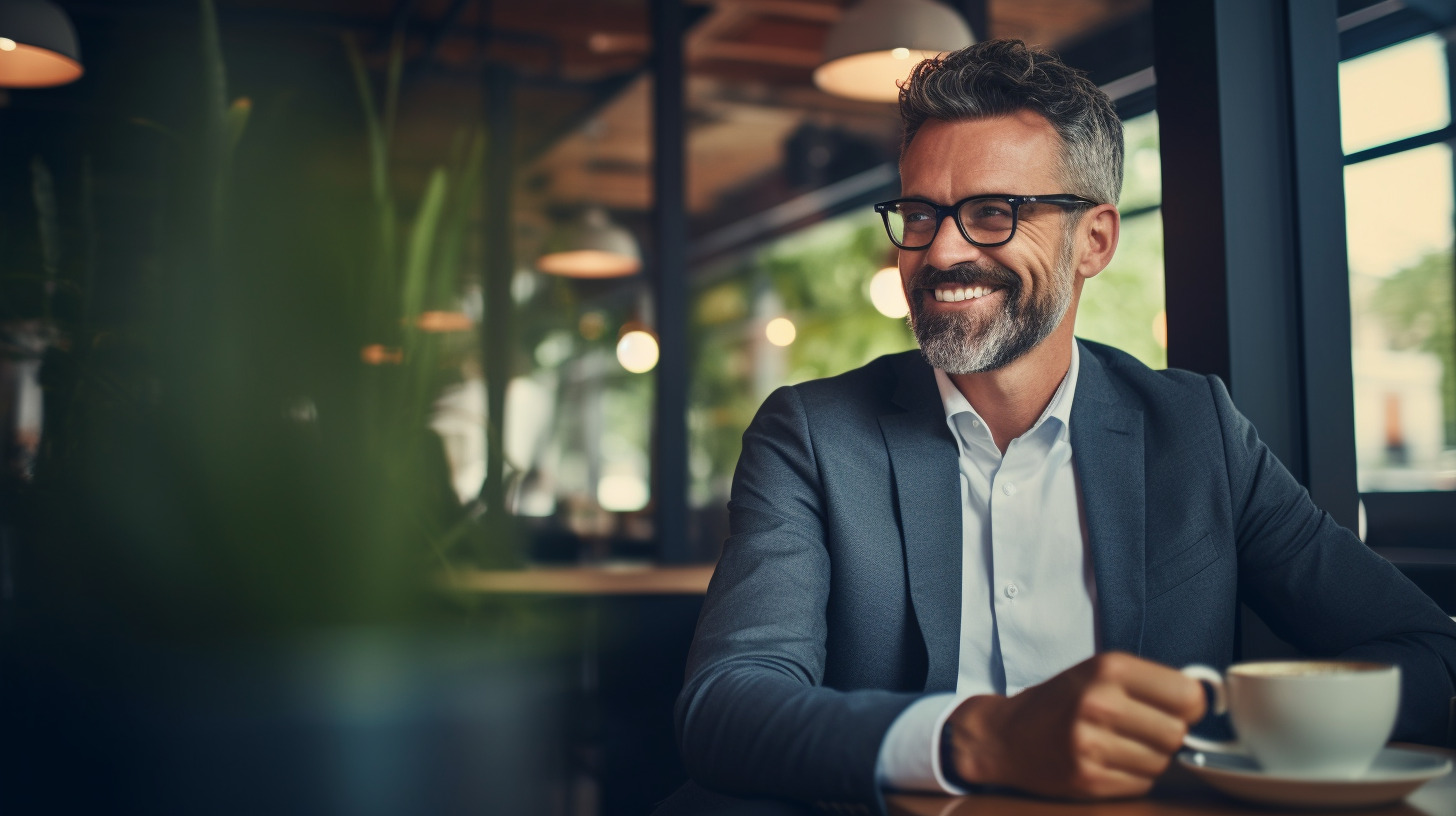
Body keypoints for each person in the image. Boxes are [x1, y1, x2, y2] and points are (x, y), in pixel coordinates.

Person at [658, 40, 1456, 816]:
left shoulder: (1196, 429)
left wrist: (1218, 723)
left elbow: (1427, 650)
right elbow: (727, 705)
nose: (941, 250)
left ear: (1096, 241)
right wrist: (980, 740)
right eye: (918, 213)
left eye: (993, 213)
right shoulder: (813, 434)